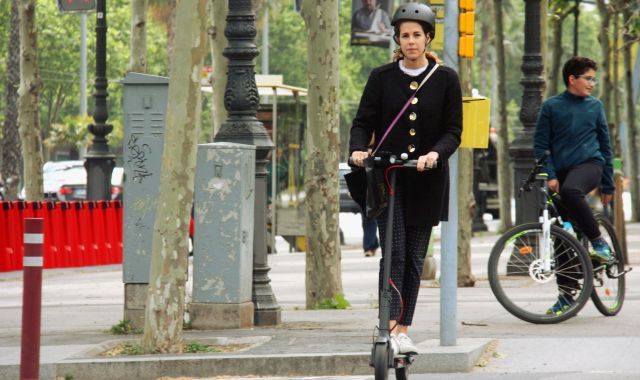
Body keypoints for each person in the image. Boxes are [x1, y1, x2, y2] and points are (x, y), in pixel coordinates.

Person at [349, 3, 462, 355]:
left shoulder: (446, 78)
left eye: (417, 34)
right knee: (393, 252)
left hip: (427, 179)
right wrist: (356, 150)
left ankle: (403, 329)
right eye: (405, 35)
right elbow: (362, 122)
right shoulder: (381, 77)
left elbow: (453, 130)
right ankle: (388, 324)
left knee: (414, 257)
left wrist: (435, 154)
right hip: (389, 177)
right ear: (397, 39)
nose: (411, 41)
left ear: (428, 37)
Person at [534, 56, 615, 315]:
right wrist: (551, 174)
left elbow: (605, 145)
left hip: (591, 165)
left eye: (594, 78)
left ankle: (599, 242)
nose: (593, 83)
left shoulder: (595, 106)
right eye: (588, 78)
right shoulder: (551, 107)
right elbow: (541, 146)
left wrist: (608, 183)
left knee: (571, 190)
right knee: (562, 234)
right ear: (572, 79)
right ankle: (566, 295)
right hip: (561, 173)